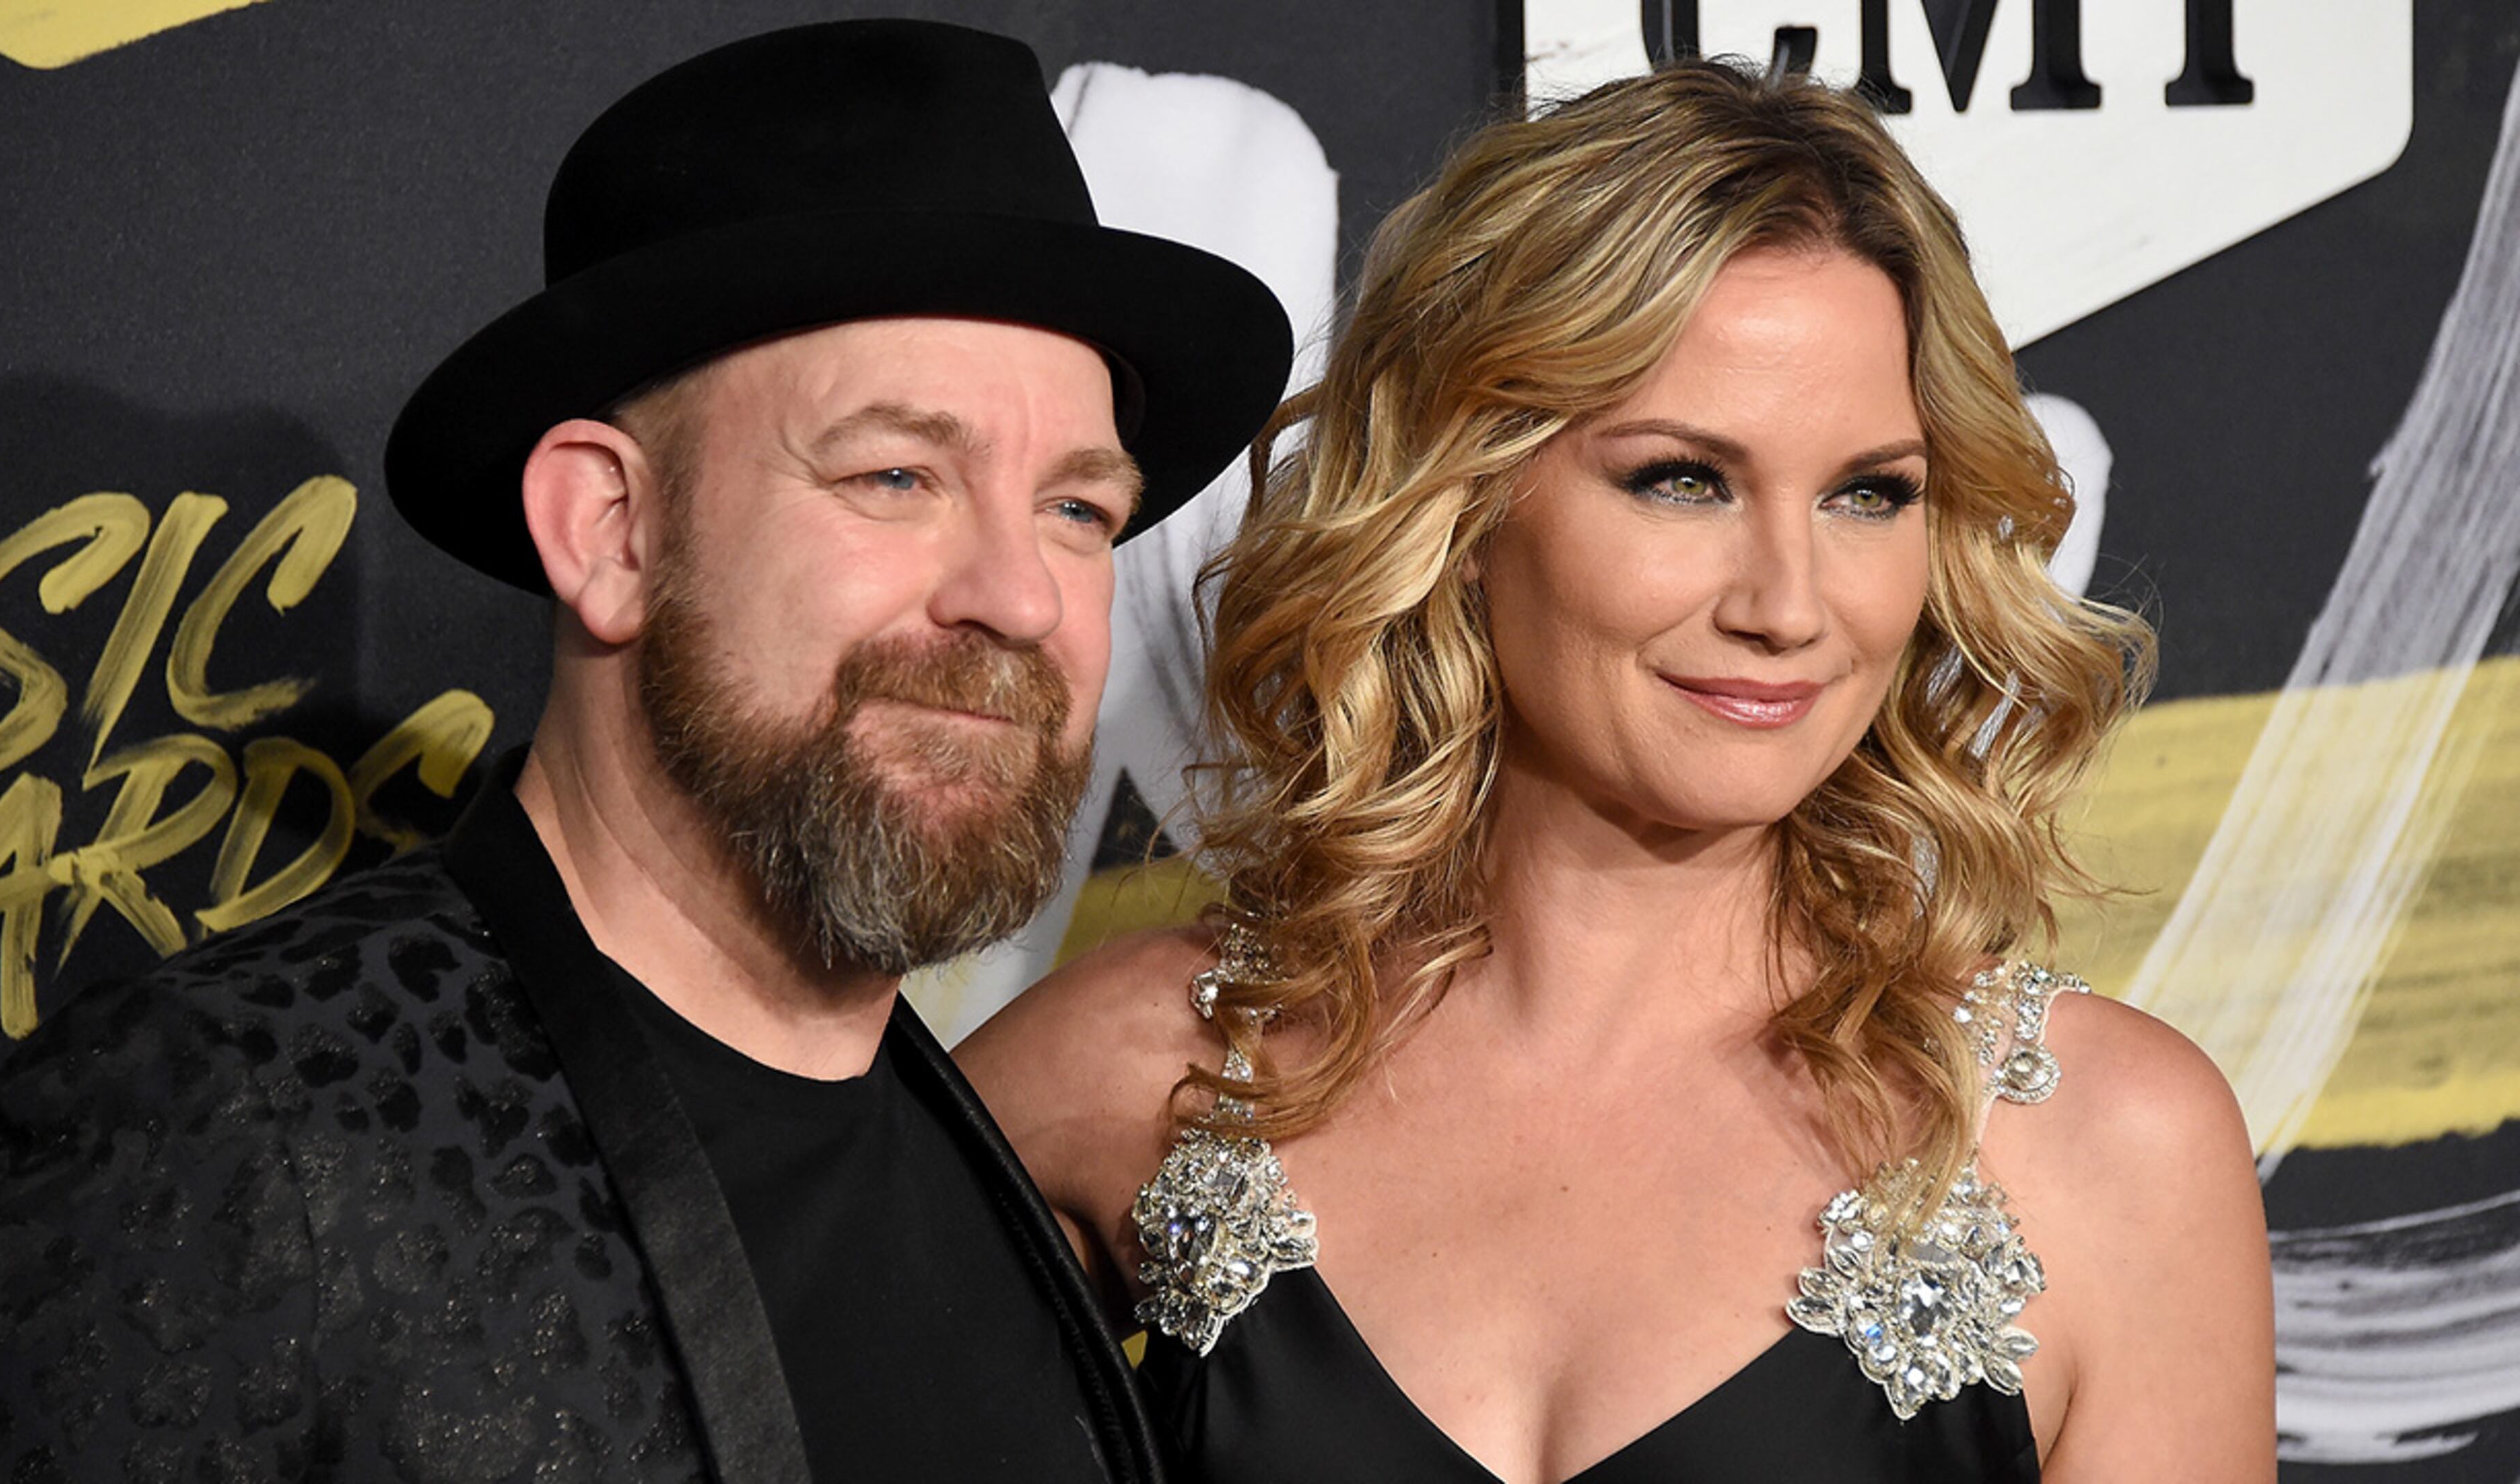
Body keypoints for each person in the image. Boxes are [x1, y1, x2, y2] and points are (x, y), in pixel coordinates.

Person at [0, 20, 1290, 1484]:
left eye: (1078, 510)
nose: (1017, 594)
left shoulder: (978, 1167)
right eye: (897, 474)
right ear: (610, 533)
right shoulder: (211, 1143)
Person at [960, 58, 2275, 1483]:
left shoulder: (2111, 1152)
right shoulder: (1132, 1072)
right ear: (1463, 503)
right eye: (1683, 480)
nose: (1789, 602)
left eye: (1869, 494)